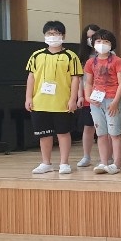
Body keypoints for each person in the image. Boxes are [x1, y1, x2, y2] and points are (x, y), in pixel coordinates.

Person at [26, 21, 82, 175]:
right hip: (40, 102)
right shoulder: (36, 55)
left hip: (62, 102)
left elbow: (75, 79)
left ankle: (64, 163)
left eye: (56, 33)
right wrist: (28, 97)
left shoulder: (71, 56)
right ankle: (46, 163)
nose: (52, 36)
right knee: (44, 134)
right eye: (49, 33)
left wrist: (73, 99)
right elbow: (31, 77)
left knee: (63, 133)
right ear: (44, 35)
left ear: (63, 35)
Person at [85, 29, 121, 175]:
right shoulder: (91, 62)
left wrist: (115, 101)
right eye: (98, 41)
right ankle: (104, 162)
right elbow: (88, 82)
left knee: (114, 133)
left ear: (111, 44)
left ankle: (117, 163)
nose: (102, 44)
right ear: (93, 43)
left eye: (106, 41)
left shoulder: (117, 60)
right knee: (101, 133)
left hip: (112, 100)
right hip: (96, 101)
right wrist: (88, 97)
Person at [75, 23, 101, 168]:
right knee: (88, 126)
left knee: (105, 128)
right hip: (88, 95)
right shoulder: (82, 57)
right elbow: (80, 80)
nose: (91, 40)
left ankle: (107, 157)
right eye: (89, 37)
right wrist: (80, 96)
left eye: (94, 36)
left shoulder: (110, 54)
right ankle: (86, 156)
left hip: (105, 95)